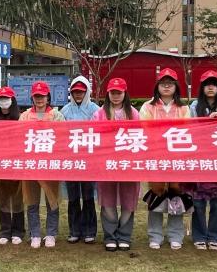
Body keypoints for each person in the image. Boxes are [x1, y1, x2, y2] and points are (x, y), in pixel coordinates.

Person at [140, 68, 191, 250]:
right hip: (156, 156)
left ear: (176, 86)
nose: (166, 86)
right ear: (157, 86)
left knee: (177, 194)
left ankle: (175, 234)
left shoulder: (184, 108)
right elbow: (145, 130)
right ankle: (155, 235)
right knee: (157, 194)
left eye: (170, 83)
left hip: (177, 157)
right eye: (163, 83)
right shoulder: (148, 107)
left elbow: (187, 130)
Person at [188, 70, 217, 251]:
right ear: (202, 87)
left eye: (214, 84)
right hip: (200, 159)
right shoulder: (194, 107)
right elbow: (189, 129)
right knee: (198, 201)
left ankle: (215, 236)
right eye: (207, 84)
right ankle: (199, 235)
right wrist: (207, 122)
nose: (210, 87)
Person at [93, 78, 141, 251]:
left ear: (124, 93)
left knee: (129, 199)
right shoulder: (99, 113)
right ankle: (110, 235)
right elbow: (94, 135)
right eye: (112, 93)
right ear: (108, 94)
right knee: (107, 199)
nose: (115, 96)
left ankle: (124, 235)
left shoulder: (133, 113)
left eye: (119, 93)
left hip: (128, 163)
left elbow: (140, 135)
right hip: (106, 163)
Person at [19, 81, 65, 248]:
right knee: (32, 201)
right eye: (36, 96)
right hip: (31, 164)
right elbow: (18, 137)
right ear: (32, 97)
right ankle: (35, 234)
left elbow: (62, 137)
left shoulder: (56, 115)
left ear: (48, 97)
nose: (39, 99)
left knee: (52, 200)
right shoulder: (24, 116)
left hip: (50, 164)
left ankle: (51, 233)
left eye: (42, 96)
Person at [60, 75, 99, 244]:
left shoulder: (95, 110)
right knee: (73, 197)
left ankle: (90, 230)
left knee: (88, 197)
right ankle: (74, 230)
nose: (78, 94)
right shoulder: (65, 111)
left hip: (89, 160)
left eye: (81, 92)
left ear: (86, 92)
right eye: (75, 91)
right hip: (71, 160)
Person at [0, 86, 25, 245]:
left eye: (6, 99)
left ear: (12, 100)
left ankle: (18, 230)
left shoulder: (21, 119)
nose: (3, 102)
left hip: (17, 163)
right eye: (1, 99)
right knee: (3, 198)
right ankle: (5, 230)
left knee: (18, 198)